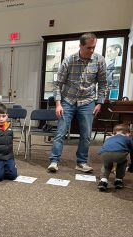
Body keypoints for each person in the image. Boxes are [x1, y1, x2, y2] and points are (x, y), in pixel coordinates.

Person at [48, 32, 107, 173]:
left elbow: (103, 84)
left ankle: (81, 162)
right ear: (80, 46)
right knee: (60, 132)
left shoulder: (99, 60)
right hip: (67, 100)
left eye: (94, 47)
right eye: (89, 47)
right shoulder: (69, 60)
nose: (92, 50)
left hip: (87, 101)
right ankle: (54, 161)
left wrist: (99, 103)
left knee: (86, 134)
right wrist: (58, 103)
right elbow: (58, 84)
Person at [97, 124, 132, 191]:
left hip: (104, 153)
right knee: (123, 162)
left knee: (107, 165)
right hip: (119, 154)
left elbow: (104, 147)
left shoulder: (109, 138)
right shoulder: (127, 138)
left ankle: (103, 181)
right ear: (128, 133)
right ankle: (118, 180)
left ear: (114, 133)